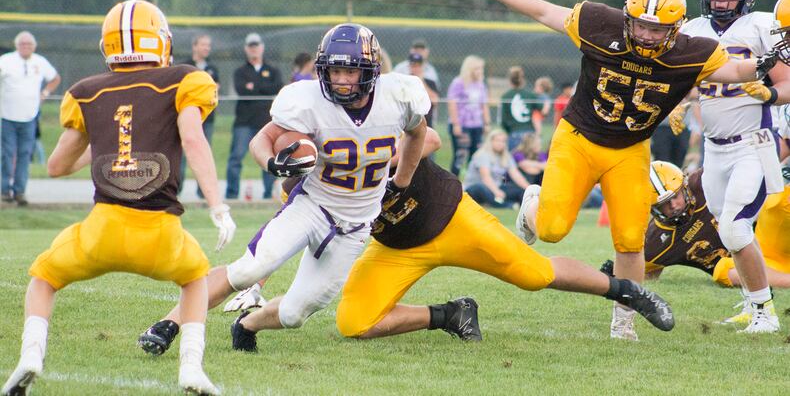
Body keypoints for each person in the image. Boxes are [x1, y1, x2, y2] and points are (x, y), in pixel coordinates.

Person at [449, 0, 780, 340]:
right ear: (626, 16)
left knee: (628, 239)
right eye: (639, 25)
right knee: (553, 230)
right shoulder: (598, 23)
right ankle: (532, 204)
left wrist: (764, 63)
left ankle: (623, 323)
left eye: (657, 30)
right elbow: (544, 11)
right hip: (578, 138)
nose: (646, 35)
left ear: (677, 28)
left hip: (629, 148)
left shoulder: (693, 51)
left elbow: (734, 69)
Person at [137, 23, 429, 354]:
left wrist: (401, 181)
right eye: (334, 70)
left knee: (293, 314)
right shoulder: (307, 99)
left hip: (355, 226)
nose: (342, 80)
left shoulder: (399, 95)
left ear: (370, 70)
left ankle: (246, 324)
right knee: (250, 269)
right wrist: (271, 164)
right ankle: (168, 324)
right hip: (313, 206)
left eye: (350, 70)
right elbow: (261, 140)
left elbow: (419, 133)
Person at [221, 135, 674, 343]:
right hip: (394, 246)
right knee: (353, 323)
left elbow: (430, 137)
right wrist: (256, 285)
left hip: (451, 216)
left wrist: (390, 166)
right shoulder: (302, 185)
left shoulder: (369, 129)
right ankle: (450, 314)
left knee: (535, 275)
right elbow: (284, 232)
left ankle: (626, 290)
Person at [1, 0, 236, 396]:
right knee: (196, 279)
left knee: (43, 278)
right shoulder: (183, 79)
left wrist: (111, 141)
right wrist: (218, 206)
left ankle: (31, 355)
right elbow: (193, 140)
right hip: (160, 232)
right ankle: (191, 368)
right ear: (159, 41)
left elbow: (57, 165)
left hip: (101, 231)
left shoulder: (88, 91)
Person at [678, 0, 790, 333]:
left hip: (754, 144)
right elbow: (688, 80)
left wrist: (771, 94)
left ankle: (766, 313)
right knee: (729, 229)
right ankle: (751, 304)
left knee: (737, 227)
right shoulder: (693, 29)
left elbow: (788, 82)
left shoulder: (760, 27)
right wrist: (680, 102)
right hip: (714, 148)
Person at [602, 156, 790, 323]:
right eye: (664, 205)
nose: (674, 205)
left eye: (675, 196)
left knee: (779, 202)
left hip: (766, 239)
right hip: (761, 264)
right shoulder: (656, 241)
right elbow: (644, 272)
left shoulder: (703, 182)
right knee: (723, 269)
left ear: (684, 186)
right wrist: (615, 275)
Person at [0, 31, 61, 206]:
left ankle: (20, 191)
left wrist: (45, 92)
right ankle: (4, 190)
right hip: (7, 116)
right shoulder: (6, 60)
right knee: (7, 153)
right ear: (17, 45)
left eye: (29, 44)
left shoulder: (40, 62)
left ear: (34, 46)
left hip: (29, 117)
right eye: (22, 44)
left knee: (25, 154)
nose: (26, 47)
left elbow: (55, 78)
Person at [226, 32, 284, 200]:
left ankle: (268, 194)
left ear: (262, 48)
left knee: (268, 158)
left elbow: (277, 87)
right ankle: (231, 194)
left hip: (264, 122)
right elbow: (242, 89)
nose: (254, 49)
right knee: (236, 157)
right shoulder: (240, 71)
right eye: (251, 46)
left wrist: (254, 85)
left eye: (256, 46)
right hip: (243, 121)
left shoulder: (272, 70)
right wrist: (263, 86)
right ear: (246, 49)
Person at [179, 34, 220, 199]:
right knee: (182, 154)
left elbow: (214, 90)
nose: (206, 48)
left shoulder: (212, 68)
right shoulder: (185, 66)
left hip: (207, 118)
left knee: (204, 153)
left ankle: (204, 193)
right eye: (203, 45)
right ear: (195, 46)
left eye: (208, 45)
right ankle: (177, 190)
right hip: (186, 117)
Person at [463, 129, 529, 207]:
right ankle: (507, 205)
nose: (500, 143)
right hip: (475, 188)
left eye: (503, 141)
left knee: (519, 190)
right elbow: (486, 178)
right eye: (497, 141)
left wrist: (530, 189)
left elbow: (516, 175)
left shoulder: (506, 156)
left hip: (496, 187)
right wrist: (496, 192)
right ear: (490, 141)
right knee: (482, 189)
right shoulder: (482, 155)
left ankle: (524, 205)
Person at [447, 55, 489, 176]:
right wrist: (456, 124)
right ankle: (453, 184)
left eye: (481, 69)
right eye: (477, 69)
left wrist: (486, 123)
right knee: (460, 156)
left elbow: (483, 105)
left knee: (475, 156)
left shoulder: (481, 85)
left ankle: (470, 184)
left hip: (477, 125)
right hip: (462, 125)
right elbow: (452, 104)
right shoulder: (458, 83)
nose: (480, 71)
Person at [500, 66, 542, 150]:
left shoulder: (505, 96)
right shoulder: (530, 95)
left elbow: (503, 121)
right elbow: (542, 110)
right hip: (530, 133)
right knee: (530, 157)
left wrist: (510, 131)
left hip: (514, 133)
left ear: (510, 80)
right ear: (523, 80)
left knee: (514, 159)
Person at [407, 52, 439, 126]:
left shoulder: (430, 83)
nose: (416, 69)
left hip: (427, 122)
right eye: (414, 66)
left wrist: (421, 81)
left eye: (418, 66)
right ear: (409, 67)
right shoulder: (404, 82)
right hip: (409, 123)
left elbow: (435, 101)